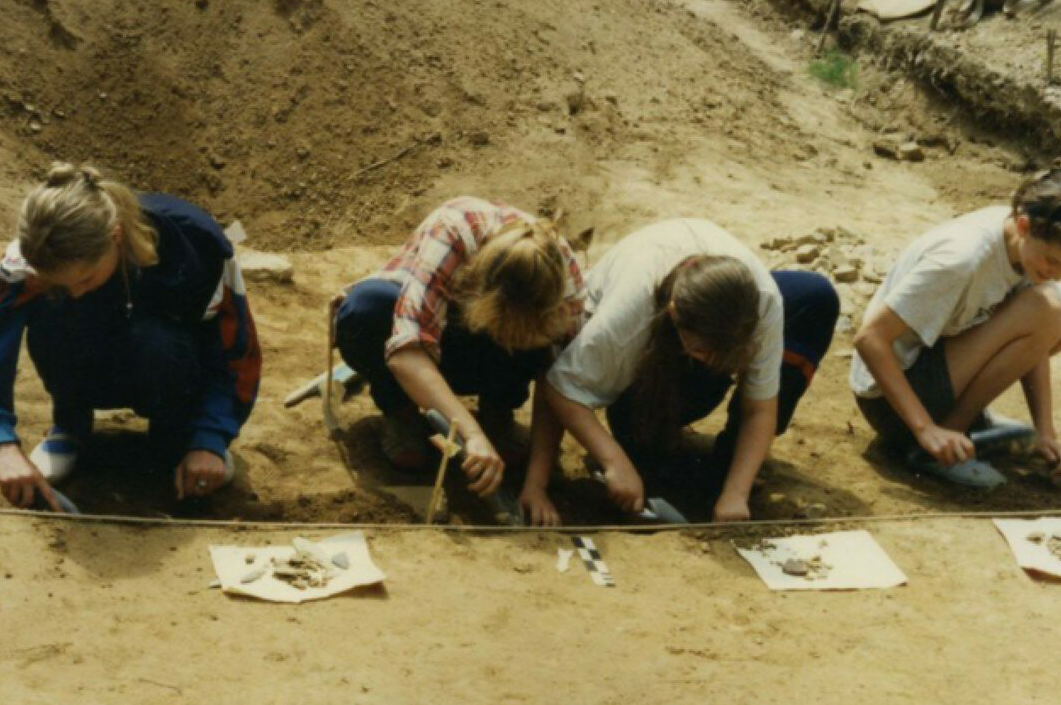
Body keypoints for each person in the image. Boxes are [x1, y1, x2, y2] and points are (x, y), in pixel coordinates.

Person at [0, 163, 261, 510]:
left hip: (164, 366)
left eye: (86, 279)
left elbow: (236, 352)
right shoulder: (28, 261)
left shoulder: (193, 243)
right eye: (62, 284)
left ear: (116, 238)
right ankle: (70, 426)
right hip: (83, 365)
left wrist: (210, 438)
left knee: (158, 339)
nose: (76, 293)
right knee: (56, 311)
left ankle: (181, 440)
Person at [527, 218, 839, 523]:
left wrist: (736, 492)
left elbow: (760, 408)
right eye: (704, 351)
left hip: (702, 311)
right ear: (675, 315)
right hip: (639, 352)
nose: (716, 362)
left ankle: (728, 464)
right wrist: (613, 461)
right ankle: (644, 441)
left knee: (815, 297)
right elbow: (561, 384)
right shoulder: (627, 317)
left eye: (727, 355)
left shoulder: (762, 303)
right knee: (647, 459)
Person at [850, 169, 1061, 487]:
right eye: (1053, 261)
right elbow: (870, 338)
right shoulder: (962, 258)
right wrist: (925, 428)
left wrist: (1045, 431)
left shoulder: (1022, 241)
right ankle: (944, 444)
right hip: (891, 400)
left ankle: (967, 423)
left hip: (938, 367)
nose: (1057, 274)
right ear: (1023, 225)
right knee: (1044, 306)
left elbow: (1035, 338)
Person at [333, 196, 585, 513]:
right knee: (367, 309)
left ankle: (499, 411)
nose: (510, 343)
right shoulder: (452, 231)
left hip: (482, 351)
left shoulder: (564, 281)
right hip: (440, 336)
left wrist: (537, 484)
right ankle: (401, 411)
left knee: (544, 346)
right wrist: (472, 435)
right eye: (506, 330)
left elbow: (558, 381)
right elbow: (406, 352)